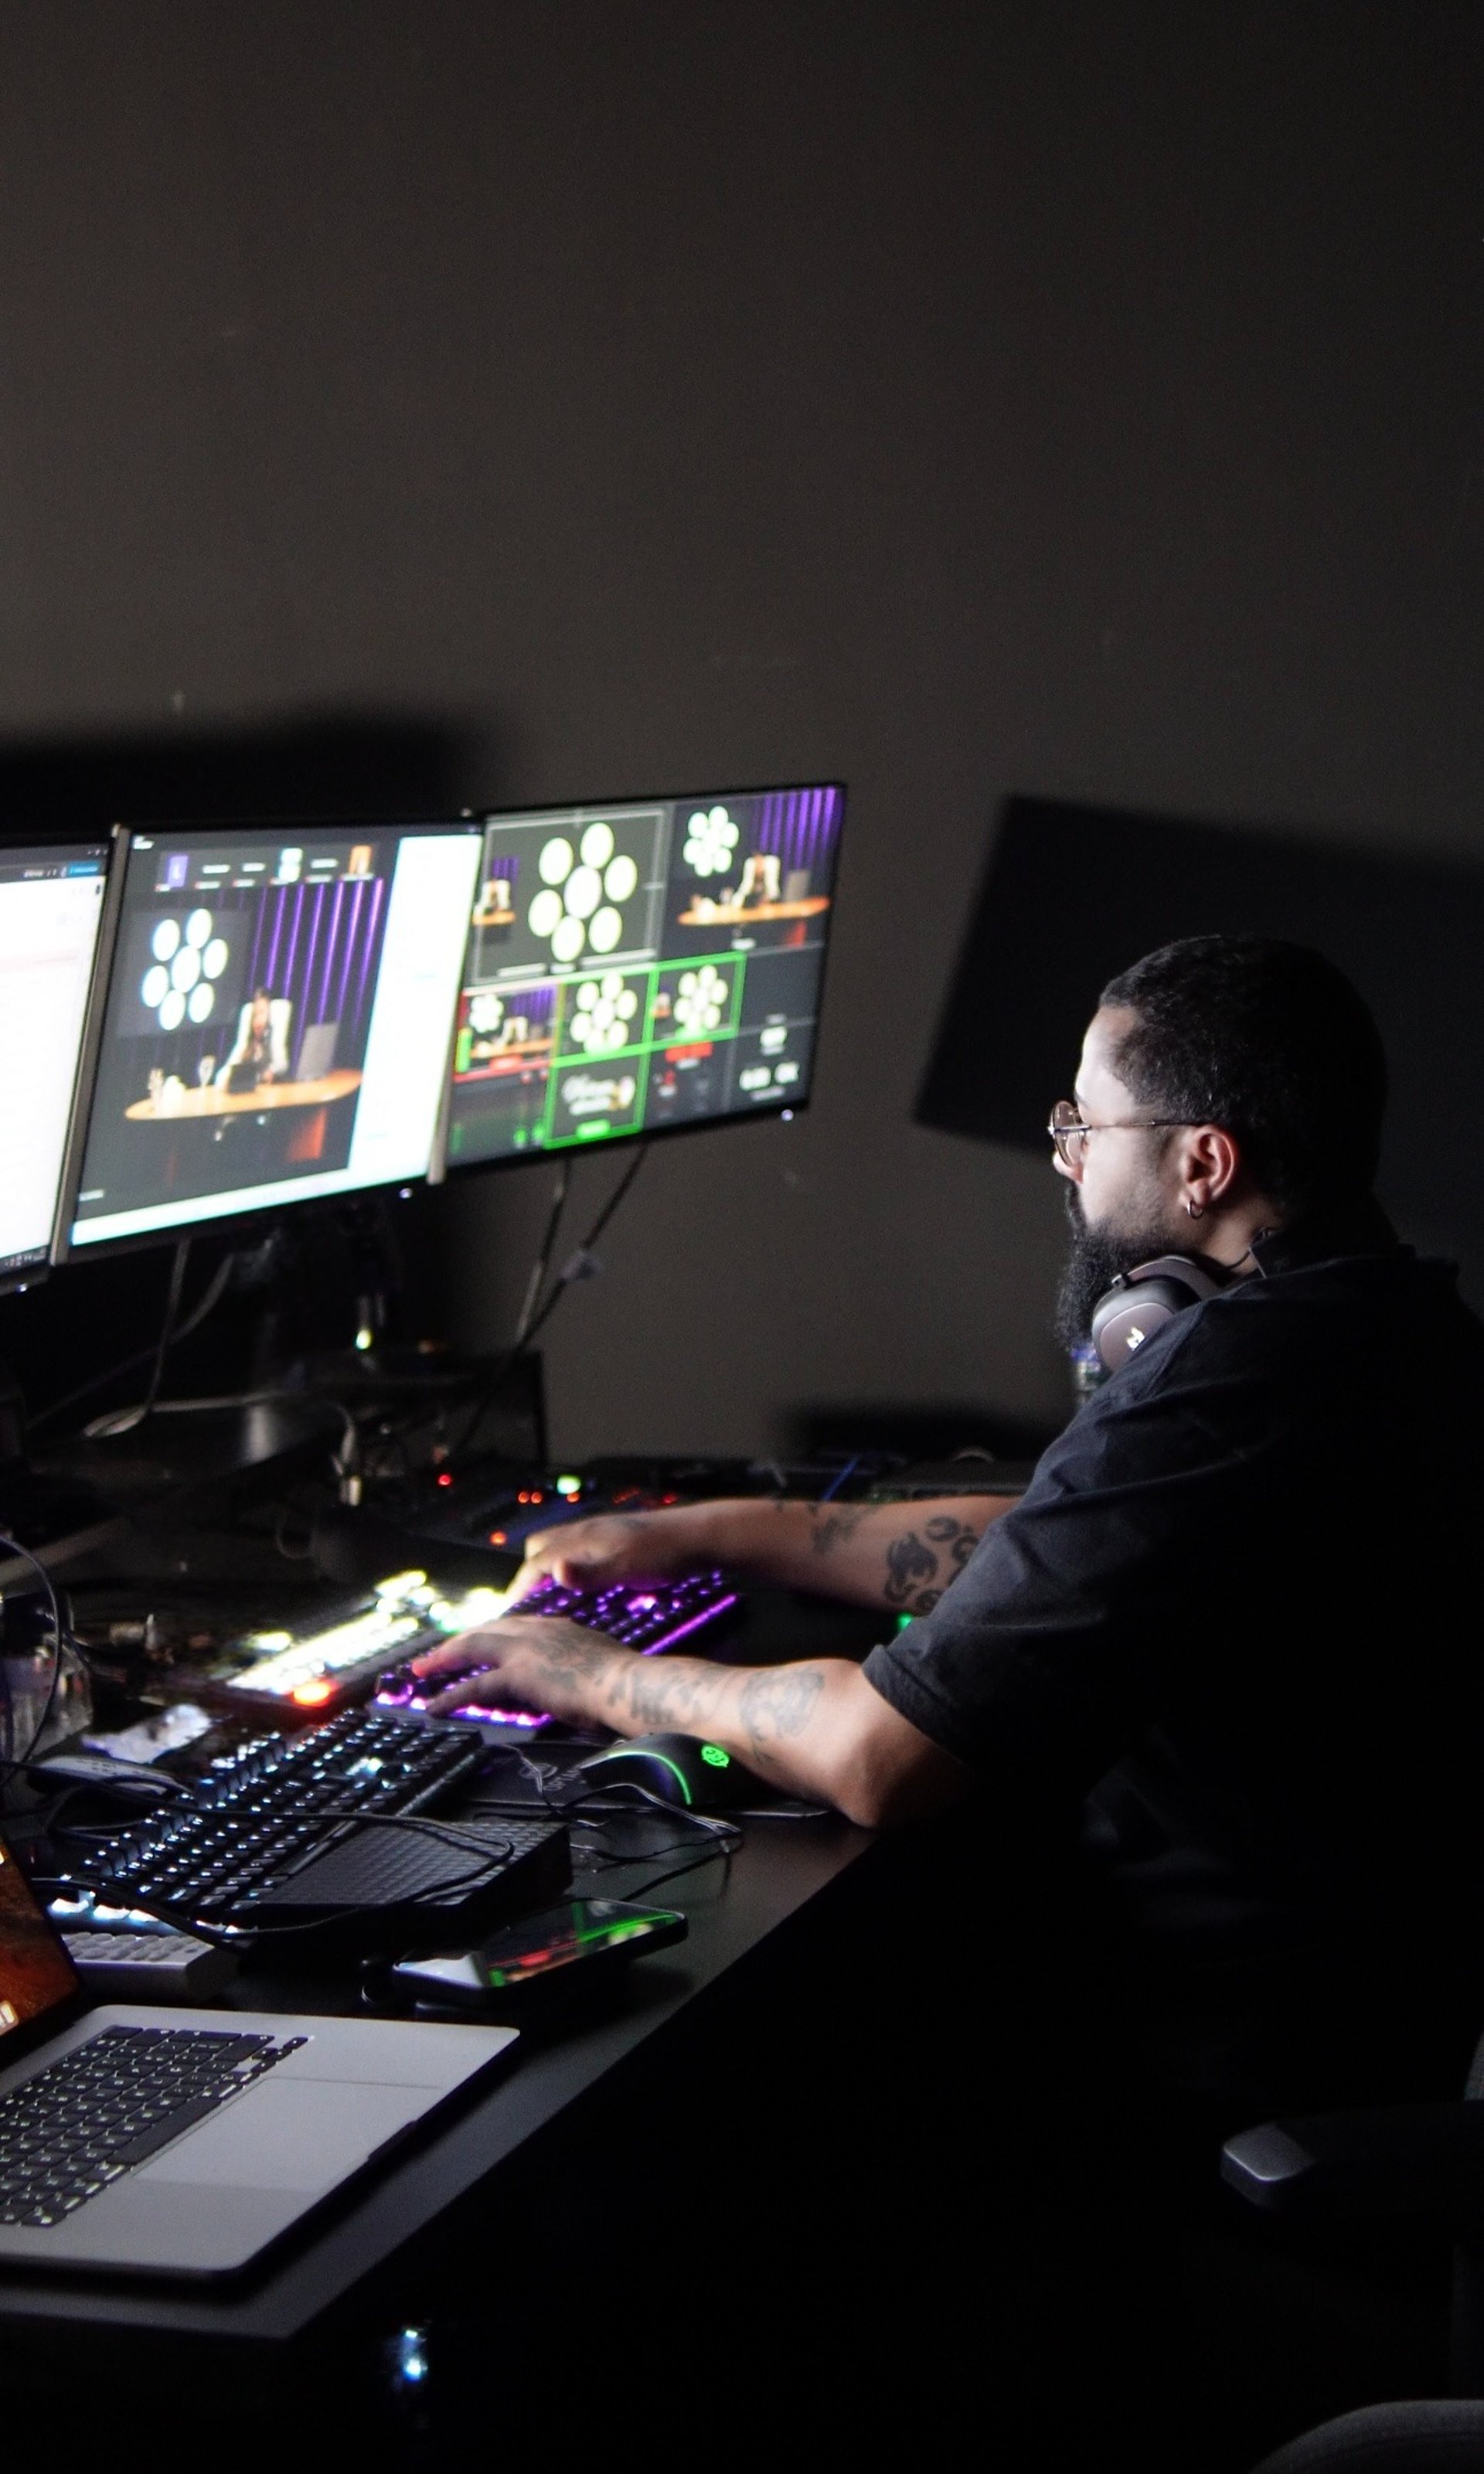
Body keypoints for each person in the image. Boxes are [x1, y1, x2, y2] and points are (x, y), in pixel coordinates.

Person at [420, 936, 1484, 2110]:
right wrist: (703, 1529)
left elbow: (880, 1755)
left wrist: (599, 1674)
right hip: (1363, 2012)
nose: (1067, 1160)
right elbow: (1062, 1544)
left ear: (1204, 1164)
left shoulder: (1221, 1392)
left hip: (1213, 2068)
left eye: (1087, 1124)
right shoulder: (1386, 1327)